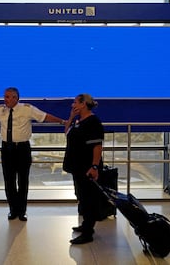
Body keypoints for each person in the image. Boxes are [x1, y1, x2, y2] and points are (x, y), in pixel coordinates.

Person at [0, 87, 65, 221]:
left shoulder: (27, 109)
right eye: (5, 97)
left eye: (10, 97)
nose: (7, 99)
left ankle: (22, 211)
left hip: (22, 148)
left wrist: (62, 121)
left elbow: (45, 116)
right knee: (9, 181)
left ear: (16, 98)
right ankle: (13, 210)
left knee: (23, 181)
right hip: (7, 149)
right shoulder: (0, 110)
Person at [62, 93, 104, 244]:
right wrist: (71, 117)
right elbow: (67, 132)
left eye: (75, 103)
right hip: (77, 166)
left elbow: (97, 146)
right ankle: (86, 224)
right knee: (81, 196)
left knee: (88, 198)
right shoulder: (79, 121)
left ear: (83, 104)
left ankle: (88, 232)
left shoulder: (93, 122)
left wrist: (94, 166)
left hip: (86, 167)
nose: (73, 105)